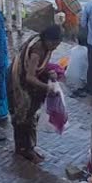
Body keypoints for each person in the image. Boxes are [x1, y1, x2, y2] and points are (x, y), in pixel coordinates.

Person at [8, 26, 63, 162]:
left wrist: (49, 71)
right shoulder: (37, 50)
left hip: (25, 82)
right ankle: (24, 149)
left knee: (31, 117)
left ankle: (28, 148)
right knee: (24, 117)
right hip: (19, 83)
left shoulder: (44, 45)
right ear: (48, 40)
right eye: (54, 44)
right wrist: (47, 87)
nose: (55, 48)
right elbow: (30, 77)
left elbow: (40, 66)